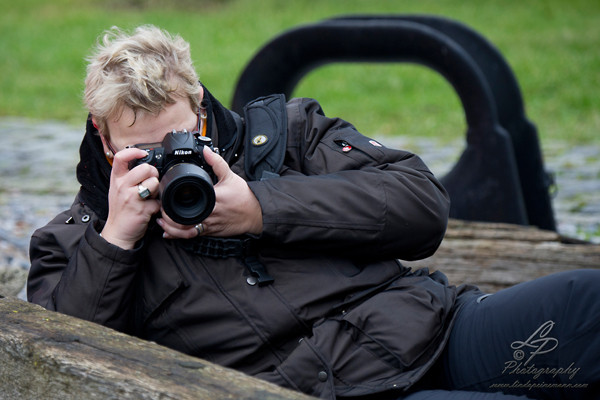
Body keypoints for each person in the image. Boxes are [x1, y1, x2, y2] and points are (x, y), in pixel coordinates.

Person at [27, 25, 599, 400]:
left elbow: (423, 206)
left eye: (179, 138)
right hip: (329, 391)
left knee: (587, 306)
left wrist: (261, 208)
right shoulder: (73, 242)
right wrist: (117, 241)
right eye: (142, 148)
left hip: (432, 329)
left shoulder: (288, 134)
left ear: (200, 106)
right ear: (103, 138)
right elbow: (68, 368)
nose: (168, 160)